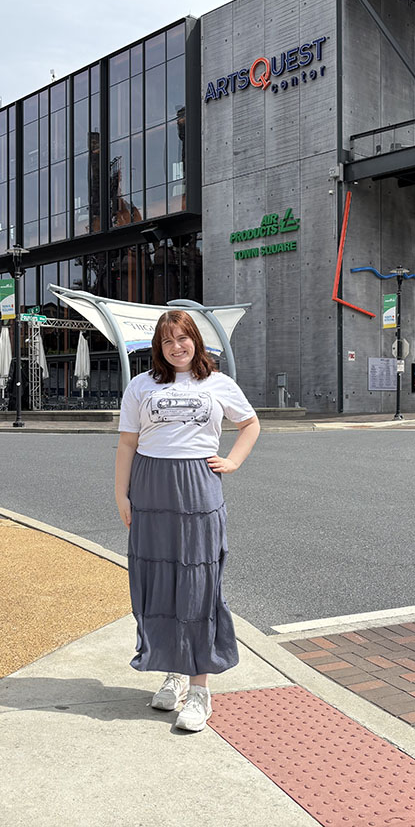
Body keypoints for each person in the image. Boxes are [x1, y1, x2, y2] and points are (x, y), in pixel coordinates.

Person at [114, 310, 261, 732]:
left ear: (196, 340)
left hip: (198, 485)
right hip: (150, 486)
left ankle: (199, 688)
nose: (176, 347)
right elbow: (127, 443)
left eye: (183, 338)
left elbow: (250, 424)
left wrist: (233, 461)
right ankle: (173, 674)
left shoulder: (218, 383)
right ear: (158, 348)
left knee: (198, 583)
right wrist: (121, 494)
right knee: (159, 582)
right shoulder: (141, 386)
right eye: (167, 341)